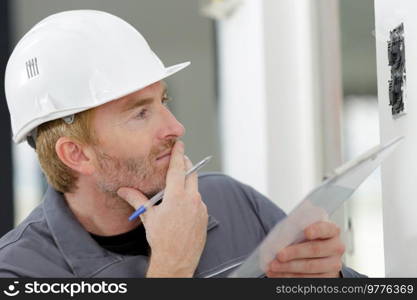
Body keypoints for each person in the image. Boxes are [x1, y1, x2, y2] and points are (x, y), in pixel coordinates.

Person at [0, 10, 362, 278]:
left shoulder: (231, 201)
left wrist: (328, 281)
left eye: (164, 101)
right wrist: (172, 266)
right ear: (76, 153)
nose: (175, 127)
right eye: (140, 114)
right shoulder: (19, 271)